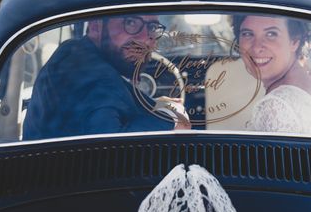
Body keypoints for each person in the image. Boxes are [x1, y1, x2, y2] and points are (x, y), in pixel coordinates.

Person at [23, 14, 189, 140]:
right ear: (96, 26)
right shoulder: (89, 73)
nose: (146, 39)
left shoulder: (73, 52)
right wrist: (174, 119)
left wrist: (157, 105)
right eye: (131, 22)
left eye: (152, 27)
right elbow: (111, 152)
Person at [234, 15, 311, 137]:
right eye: (247, 34)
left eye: (271, 34)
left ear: (294, 42)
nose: (256, 48)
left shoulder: (274, 106)